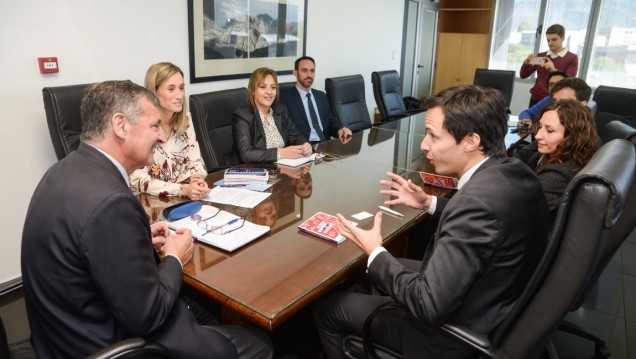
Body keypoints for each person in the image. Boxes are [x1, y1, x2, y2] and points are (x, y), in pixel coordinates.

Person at [21, 80, 273, 359]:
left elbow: (89, 246)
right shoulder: (111, 203)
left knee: (204, 306)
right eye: (154, 126)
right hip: (105, 344)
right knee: (258, 344)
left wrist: (137, 239)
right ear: (120, 125)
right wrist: (174, 258)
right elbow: (147, 316)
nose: (162, 137)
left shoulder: (62, 171)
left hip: (61, 335)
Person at [313, 85, 549, 358]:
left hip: (448, 338)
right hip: (494, 303)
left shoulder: (474, 204)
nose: (424, 144)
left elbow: (429, 305)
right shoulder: (516, 171)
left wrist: (375, 251)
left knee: (328, 309)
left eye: (433, 136)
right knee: (371, 273)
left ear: (471, 141)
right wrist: (429, 202)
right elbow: (487, 221)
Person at [130, 62, 210, 200]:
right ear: (153, 92)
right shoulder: (140, 125)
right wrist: (182, 189)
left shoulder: (185, 119)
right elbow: (138, 180)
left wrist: (196, 179)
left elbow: (196, 160)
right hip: (149, 202)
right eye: (171, 89)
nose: (179, 95)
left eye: (181, 88)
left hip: (182, 199)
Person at [528, 99, 600, 228]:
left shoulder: (556, 176)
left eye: (549, 130)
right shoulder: (576, 154)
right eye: (539, 127)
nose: (538, 135)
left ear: (571, 136)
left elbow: (522, 216)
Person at [233, 67, 312, 163]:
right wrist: (281, 153)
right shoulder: (243, 115)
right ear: (253, 90)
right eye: (263, 87)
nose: (269, 92)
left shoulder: (281, 110)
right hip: (260, 171)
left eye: (273, 87)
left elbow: (295, 136)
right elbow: (246, 154)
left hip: (284, 168)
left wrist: (304, 145)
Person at [513, 77, 593, 163]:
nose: (555, 106)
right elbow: (526, 152)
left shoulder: (580, 140)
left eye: (564, 102)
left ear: (581, 105)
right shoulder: (552, 125)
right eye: (554, 101)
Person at [279, 56, 352, 143]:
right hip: (303, 147)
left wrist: (340, 130)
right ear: (295, 73)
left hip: (325, 144)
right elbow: (284, 131)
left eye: (312, 71)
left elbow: (330, 122)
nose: (309, 75)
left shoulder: (321, 96)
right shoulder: (285, 98)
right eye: (304, 70)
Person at [520, 24, 579, 106]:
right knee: (530, 118)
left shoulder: (572, 58)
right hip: (536, 99)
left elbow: (570, 82)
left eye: (554, 40)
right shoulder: (541, 56)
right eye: (548, 40)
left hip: (557, 100)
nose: (550, 43)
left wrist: (554, 70)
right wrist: (526, 64)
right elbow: (523, 75)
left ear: (562, 38)